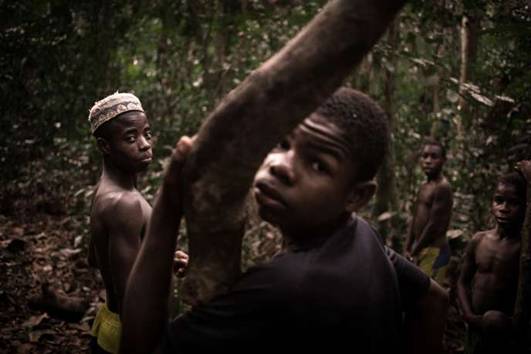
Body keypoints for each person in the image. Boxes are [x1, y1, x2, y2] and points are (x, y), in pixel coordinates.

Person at [121, 88, 448, 354]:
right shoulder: (362, 234)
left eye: (318, 165)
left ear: (356, 197)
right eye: (283, 143)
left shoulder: (288, 286)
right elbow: (432, 299)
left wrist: (169, 200)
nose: (280, 165)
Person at [87, 92, 190, 353]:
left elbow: (95, 257)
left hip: (111, 328)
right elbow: (132, 304)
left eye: (147, 133)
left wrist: (160, 258)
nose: (144, 144)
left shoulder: (105, 191)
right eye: (130, 138)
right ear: (105, 146)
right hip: (132, 338)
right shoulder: (125, 203)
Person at [457, 169, 528, 354]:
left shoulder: (524, 250)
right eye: (499, 200)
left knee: (492, 319)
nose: (504, 208)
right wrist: (469, 316)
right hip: (474, 326)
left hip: (502, 331)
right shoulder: (479, 240)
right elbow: (462, 282)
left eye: (513, 203)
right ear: (491, 203)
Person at [404, 139, 453, 285]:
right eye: (424, 156)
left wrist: (415, 251)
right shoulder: (424, 185)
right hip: (420, 248)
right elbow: (415, 217)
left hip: (434, 251)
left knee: (428, 295)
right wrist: (407, 247)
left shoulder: (443, 187)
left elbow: (434, 225)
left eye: (433, 157)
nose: (428, 161)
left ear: (443, 160)